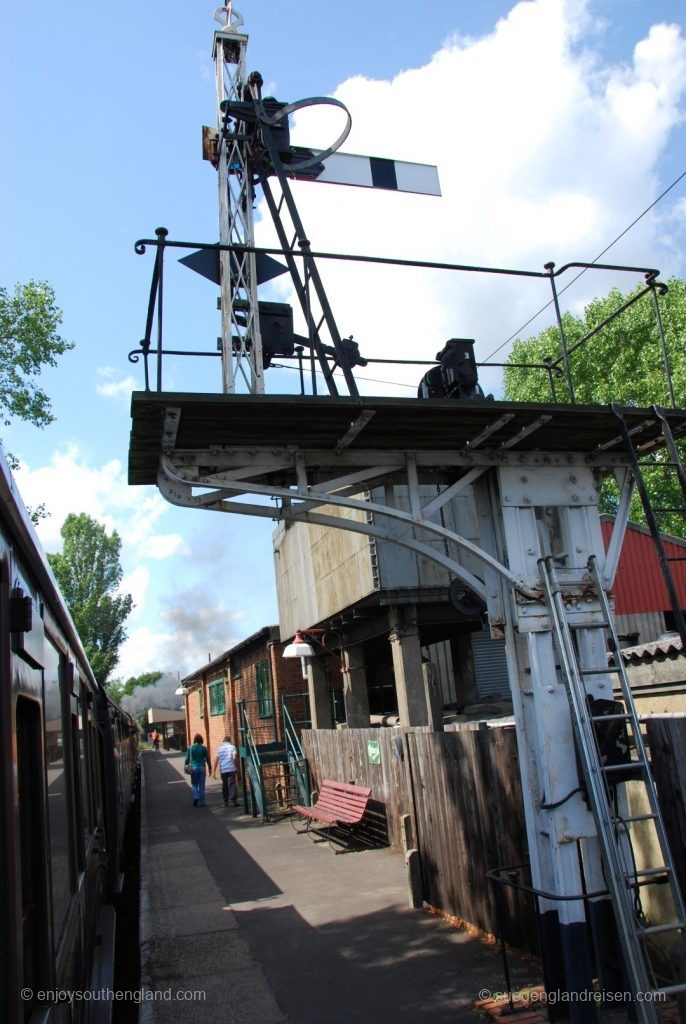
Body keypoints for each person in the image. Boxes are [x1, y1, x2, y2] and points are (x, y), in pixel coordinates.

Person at [184, 733, 212, 807]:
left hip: (194, 768)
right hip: (202, 768)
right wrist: (210, 767)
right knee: (202, 785)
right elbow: (208, 759)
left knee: (194, 784)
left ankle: (195, 797)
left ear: (194, 740)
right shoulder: (204, 748)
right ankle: (202, 803)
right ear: (201, 740)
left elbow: (187, 759)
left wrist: (186, 766)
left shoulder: (191, 748)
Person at [213, 735, 239, 807]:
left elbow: (216, 760)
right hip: (231, 769)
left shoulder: (220, 749)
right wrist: (236, 766)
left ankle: (225, 801)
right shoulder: (232, 747)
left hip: (223, 769)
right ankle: (234, 801)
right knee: (232, 784)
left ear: (223, 741)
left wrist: (214, 771)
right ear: (230, 741)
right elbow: (234, 758)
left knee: (225, 785)